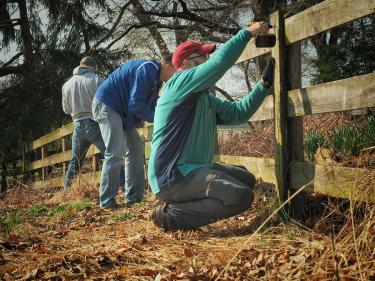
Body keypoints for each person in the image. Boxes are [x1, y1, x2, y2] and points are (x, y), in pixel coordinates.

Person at [148, 22, 274, 231]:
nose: (207, 62)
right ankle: (170, 216)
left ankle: (182, 204)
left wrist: (263, 86)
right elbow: (219, 64)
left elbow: (238, 113)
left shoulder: (205, 98)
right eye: (202, 59)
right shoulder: (178, 84)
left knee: (246, 179)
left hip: (194, 169)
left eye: (206, 58)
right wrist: (248, 32)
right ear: (186, 64)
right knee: (241, 196)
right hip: (173, 175)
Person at [92, 55, 176, 209]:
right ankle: (107, 201)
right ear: (169, 66)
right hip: (107, 105)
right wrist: (160, 118)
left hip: (122, 112)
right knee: (114, 152)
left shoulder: (156, 79)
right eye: (176, 72)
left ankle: (134, 197)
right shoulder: (148, 69)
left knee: (136, 149)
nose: (175, 76)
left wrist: (167, 111)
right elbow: (136, 105)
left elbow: (150, 102)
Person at [62, 56, 106, 190]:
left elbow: (66, 110)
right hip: (95, 122)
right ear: (93, 67)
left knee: (75, 162)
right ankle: (123, 186)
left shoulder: (67, 84)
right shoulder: (97, 80)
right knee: (112, 156)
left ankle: (66, 191)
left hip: (78, 126)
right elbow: (106, 102)